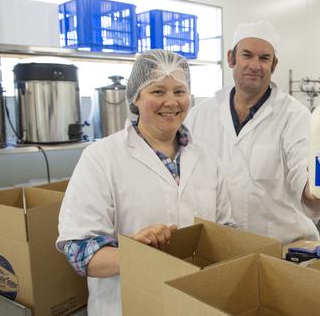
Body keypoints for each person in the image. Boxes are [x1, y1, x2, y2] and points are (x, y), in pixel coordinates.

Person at [56, 50, 234, 315]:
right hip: (126, 306)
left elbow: (226, 231)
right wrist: (133, 253)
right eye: (158, 91)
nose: (171, 102)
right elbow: (79, 250)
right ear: (136, 98)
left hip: (195, 304)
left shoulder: (208, 159)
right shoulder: (101, 158)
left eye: (179, 91)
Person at [185, 21, 320, 245]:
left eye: (264, 58)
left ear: (274, 65)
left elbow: (302, 168)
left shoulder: (294, 115)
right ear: (231, 58)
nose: (255, 65)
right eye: (247, 55)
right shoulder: (200, 114)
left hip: (284, 246)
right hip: (220, 245)